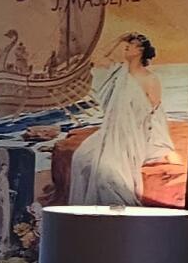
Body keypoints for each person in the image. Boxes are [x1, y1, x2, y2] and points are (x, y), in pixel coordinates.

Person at [66, 33, 174, 207]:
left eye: (132, 45)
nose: (127, 47)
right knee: (80, 158)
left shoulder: (150, 79)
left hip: (131, 136)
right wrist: (119, 38)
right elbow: (97, 56)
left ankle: (118, 217)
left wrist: (159, 142)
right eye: (127, 44)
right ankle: (84, 214)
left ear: (141, 51)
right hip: (110, 130)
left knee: (106, 177)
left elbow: (155, 114)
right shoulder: (118, 72)